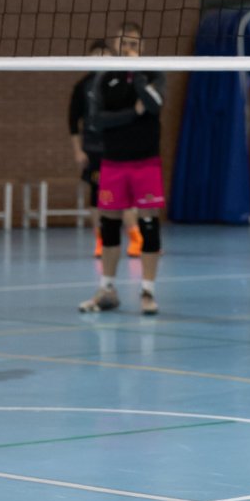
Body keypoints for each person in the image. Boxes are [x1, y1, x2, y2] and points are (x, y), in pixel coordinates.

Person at [79, 22, 165, 315]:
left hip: (146, 162)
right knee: (110, 227)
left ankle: (147, 292)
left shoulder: (153, 73)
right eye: (124, 43)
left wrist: (137, 76)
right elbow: (96, 120)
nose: (128, 48)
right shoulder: (104, 79)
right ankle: (107, 290)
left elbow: (154, 106)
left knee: (149, 226)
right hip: (113, 161)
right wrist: (131, 114)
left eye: (134, 43)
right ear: (115, 45)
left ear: (143, 47)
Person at [69, 38, 142, 259]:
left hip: (119, 145)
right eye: (96, 55)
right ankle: (100, 240)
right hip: (93, 148)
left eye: (105, 54)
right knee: (97, 196)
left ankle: (136, 237)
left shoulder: (122, 82)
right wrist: (77, 150)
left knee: (126, 193)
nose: (101, 59)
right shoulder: (82, 86)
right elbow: (73, 121)